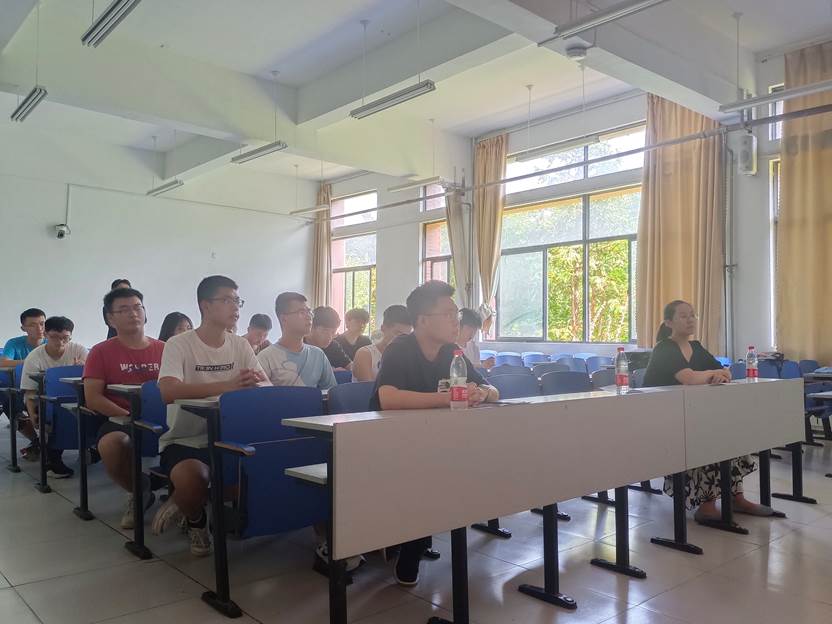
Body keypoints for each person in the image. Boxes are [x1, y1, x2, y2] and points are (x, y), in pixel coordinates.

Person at [371, 281, 499, 585]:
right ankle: (409, 547)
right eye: (449, 314)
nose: (456, 322)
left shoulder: (452, 352)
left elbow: (493, 389)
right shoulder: (401, 348)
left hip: (434, 442)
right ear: (423, 320)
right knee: (428, 475)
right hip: (389, 442)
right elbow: (388, 398)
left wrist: (481, 393)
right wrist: (448, 398)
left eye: (457, 315)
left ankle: (418, 539)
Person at [151, 276, 269, 556]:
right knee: (193, 476)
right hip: (186, 439)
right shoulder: (179, 344)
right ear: (205, 305)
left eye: (237, 301)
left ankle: (185, 500)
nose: (235, 307)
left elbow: (266, 385)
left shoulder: (240, 345)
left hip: (232, 436)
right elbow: (168, 391)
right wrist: (228, 386)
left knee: (268, 468)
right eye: (227, 300)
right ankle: (196, 518)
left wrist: (253, 385)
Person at [643, 299, 772, 522]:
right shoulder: (664, 348)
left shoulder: (697, 347)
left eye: (692, 315)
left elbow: (726, 371)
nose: (690, 320)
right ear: (669, 322)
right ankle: (707, 505)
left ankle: (736, 498)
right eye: (683, 316)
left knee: (729, 436)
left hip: (689, 414)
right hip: (662, 418)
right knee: (707, 440)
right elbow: (689, 378)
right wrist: (713, 375)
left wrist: (718, 374)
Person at [84, 288, 166, 529]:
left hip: (166, 417)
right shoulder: (100, 351)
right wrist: (129, 417)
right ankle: (139, 489)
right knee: (111, 444)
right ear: (110, 319)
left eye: (138, 307)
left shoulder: (165, 349)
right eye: (124, 309)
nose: (133, 313)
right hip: (122, 418)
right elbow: (93, 398)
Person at [20, 316, 88, 478]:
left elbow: (92, 381)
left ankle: (93, 449)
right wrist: (32, 415)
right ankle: (52, 460)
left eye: (65, 338)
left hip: (76, 397)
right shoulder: (35, 357)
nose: (60, 342)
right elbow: (29, 393)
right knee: (55, 416)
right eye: (54, 337)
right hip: (44, 400)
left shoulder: (79, 350)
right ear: (45, 335)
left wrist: (83, 369)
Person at [257, 293, 337, 390]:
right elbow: (261, 396)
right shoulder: (266, 358)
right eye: (302, 312)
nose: (309, 317)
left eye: (309, 311)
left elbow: (331, 391)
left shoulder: (318, 354)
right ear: (284, 319)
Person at [352, 305, 412, 382]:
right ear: (383, 328)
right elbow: (368, 388)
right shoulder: (365, 354)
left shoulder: (409, 356)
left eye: (406, 336)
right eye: (397, 333)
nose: (402, 339)